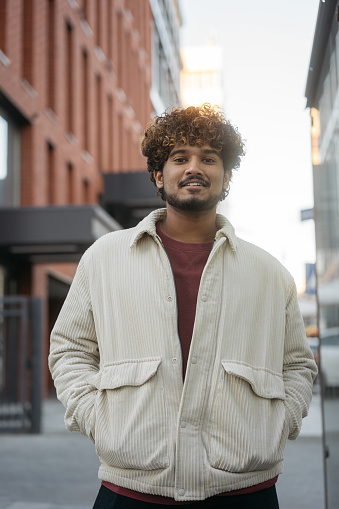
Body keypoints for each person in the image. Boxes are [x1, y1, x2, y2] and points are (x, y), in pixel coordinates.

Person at [49, 104, 318, 509]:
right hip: (131, 492)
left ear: (226, 177)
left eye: (209, 158)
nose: (195, 167)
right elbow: (70, 349)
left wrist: (279, 423)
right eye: (180, 158)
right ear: (160, 174)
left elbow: (297, 366)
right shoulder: (104, 258)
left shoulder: (270, 273)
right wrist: (99, 419)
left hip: (246, 493)